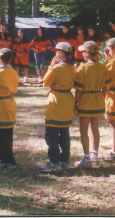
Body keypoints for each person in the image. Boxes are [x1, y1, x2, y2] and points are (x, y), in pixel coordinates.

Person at [39, 41, 76, 173]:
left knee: (52, 134)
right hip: (67, 100)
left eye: (57, 52)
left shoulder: (56, 67)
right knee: (64, 133)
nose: (55, 54)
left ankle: (54, 161)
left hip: (57, 101)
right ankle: (65, 160)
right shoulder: (72, 67)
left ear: (61, 52)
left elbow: (46, 82)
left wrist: (50, 66)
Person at [73, 40, 108, 167]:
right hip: (97, 100)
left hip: (85, 101)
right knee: (95, 128)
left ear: (87, 53)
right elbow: (105, 88)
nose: (82, 54)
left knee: (83, 130)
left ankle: (87, 158)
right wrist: (100, 98)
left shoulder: (82, 68)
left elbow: (78, 90)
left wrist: (75, 103)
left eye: (83, 52)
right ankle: (95, 154)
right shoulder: (103, 67)